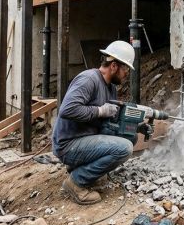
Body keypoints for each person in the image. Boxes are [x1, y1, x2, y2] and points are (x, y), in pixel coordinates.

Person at [52, 40, 135, 204]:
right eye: (125, 69)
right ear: (114, 66)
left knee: (130, 136)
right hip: (69, 144)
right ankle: (76, 182)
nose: (126, 74)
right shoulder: (89, 79)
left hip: (85, 137)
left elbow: (109, 123)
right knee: (125, 148)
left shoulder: (111, 88)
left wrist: (136, 125)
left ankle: (79, 166)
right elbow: (67, 110)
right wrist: (100, 111)